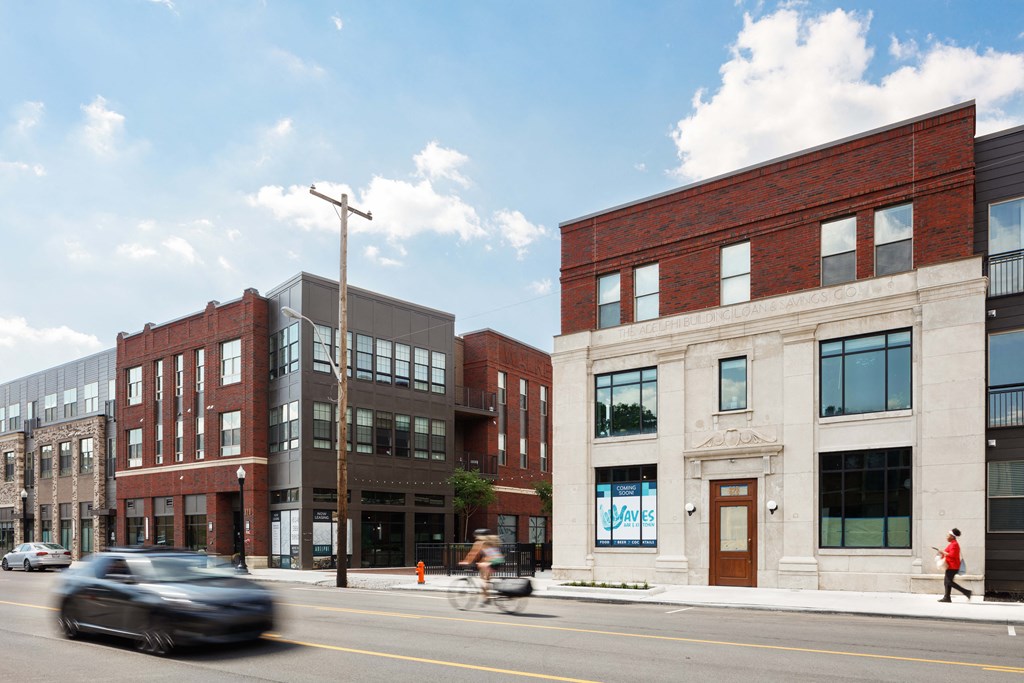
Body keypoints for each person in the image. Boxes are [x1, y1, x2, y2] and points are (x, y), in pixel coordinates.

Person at [460, 528, 504, 600]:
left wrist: (466, 562)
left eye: (476, 536)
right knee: (486, 577)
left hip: (491, 562)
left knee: (483, 581)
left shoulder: (480, 543)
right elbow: (490, 554)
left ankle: (487, 597)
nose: (475, 537)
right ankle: (486, 597)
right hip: (498, 561)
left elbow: (473, 554)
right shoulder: (492, 542)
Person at [934, 528, 971, 603]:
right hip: (950, 566)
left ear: (952, 536)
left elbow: (952, 555)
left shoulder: (954, 544)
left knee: (948, 582)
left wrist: (943, 552)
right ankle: (947, 597)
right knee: (946, 582)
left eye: (948, 535)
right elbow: (946, 552)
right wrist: (940, 552)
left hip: (953, 566)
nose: (946, 536)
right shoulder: (952, 544)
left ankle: (966, 592)